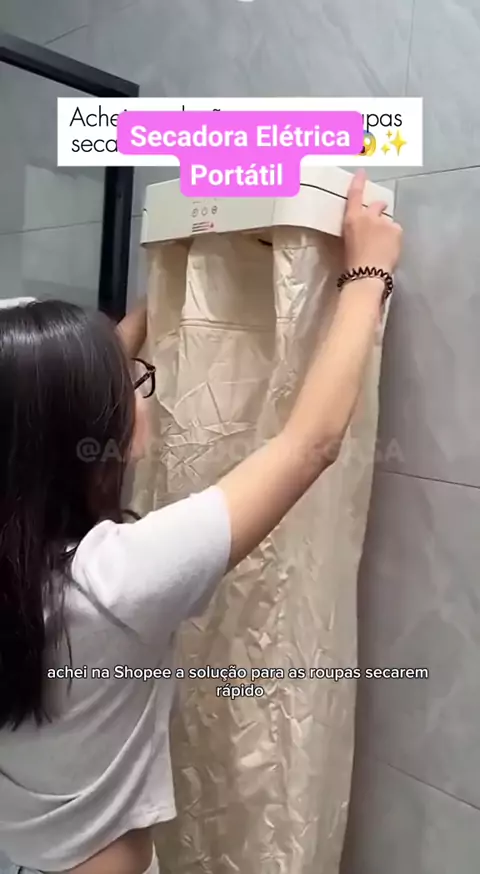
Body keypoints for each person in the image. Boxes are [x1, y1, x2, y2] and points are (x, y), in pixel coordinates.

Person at [0, 170, 402, 874]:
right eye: (135, 384)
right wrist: (368, 273)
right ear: (91, 436)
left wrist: (171, 281)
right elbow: (309, 444)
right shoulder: (117, 581)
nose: (146, 389)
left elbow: (36, 405)